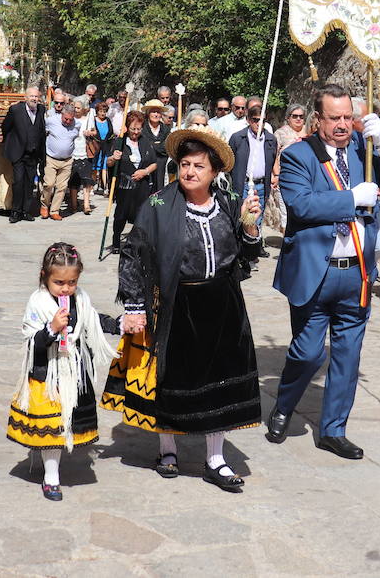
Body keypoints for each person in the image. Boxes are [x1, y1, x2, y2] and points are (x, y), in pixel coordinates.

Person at [101, 127, 263, 491]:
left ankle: (215, 459)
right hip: (177, 302)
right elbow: (134, 254)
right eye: (185, 164)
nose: (189, 172)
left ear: (214, 171)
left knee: (218, 382)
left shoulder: (229, 201)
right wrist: (135, 306)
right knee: (172, 379)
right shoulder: (158, 205)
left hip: (223, 304)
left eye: (199, 166)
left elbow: (247, 255)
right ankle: (168, 449)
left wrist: (251, 227)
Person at [267, 83, 380, 458]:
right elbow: (301, 205)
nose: (343, 124)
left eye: (348, 117)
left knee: (348, 355)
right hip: (316, 271)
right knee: (308, 354)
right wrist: (351, 199)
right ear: (318, 119)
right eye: (335, 118)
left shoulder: (365, 150)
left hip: (357, 272)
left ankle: (333, 429)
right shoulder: (299, 155)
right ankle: (285, 404)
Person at [8, 242, 120, 502]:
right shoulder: (37, 302)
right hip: (47, 372)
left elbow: (92, 319)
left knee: (65, 422)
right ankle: (51, 477)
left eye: (72, 282)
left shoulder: (80, 298)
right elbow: (32, 341)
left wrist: (118, 325)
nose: (66, 288)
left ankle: (52, 468)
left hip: (74, 369)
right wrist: (51, 328)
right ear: (44, 276)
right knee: (52, 425)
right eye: (59, 282)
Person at [105, 110, 159, 254]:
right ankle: (116, 240)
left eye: (138, 129)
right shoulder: (119, 141)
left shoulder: (145, 142)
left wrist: (145, 172)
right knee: (121, 214)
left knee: (141, 215)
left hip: (142, 186)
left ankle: (137, 243)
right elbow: (108, 163)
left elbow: (154, 163)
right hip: (124, 185)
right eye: (133, 129)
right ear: (127, 127)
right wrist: (113, 158)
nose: (135, 132)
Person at [228, 105, 278, 255]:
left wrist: (275, 176)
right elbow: (229, 162)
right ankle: (241, 249)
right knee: (244, 216)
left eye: (262, 120)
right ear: (248, 120)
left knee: (258, 216)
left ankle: (255, 247)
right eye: (255, 120)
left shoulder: (270, 139)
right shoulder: (238, 138)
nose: (259, 123)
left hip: (261, 184)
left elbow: (273, 159)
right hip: (243, 183)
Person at [3, 86, 47, 222]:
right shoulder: (15, 110)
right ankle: (15, 212)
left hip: (33, 154)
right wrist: (12, 143)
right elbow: (6, 127)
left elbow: (41, 129)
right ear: (25, 98)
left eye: (36, 96)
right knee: (18, 182)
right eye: (31, 96)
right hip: (19, 153)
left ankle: (25, 211)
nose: (34, 99)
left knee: (29, 183)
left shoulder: (41, 109)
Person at [266, 103, 308, 233]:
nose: (298, 119)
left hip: (306, 177)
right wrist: (276, 175)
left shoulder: (309, 131)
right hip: (285, 177)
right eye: (295, 116)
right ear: (288, 117)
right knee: (286, 212)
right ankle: (286, 240)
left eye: (301, 116)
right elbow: (273, 155)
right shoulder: (280, 133)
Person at [42, 103, 79, 220]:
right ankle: (44, 205)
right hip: (51, 158)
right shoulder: (51, 121)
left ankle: (54, 210)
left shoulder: (77, 124)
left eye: (70, 119)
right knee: (49, 184)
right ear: (62, 114)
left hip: (67, 160)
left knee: (62, 187)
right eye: (66, 119)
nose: (68, 122)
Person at [141, 99, 172, 190]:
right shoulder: (142, 128)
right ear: (148, 113)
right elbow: (143, 145)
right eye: (153, 112)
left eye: (158, 112)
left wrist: (152, 145)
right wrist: (156, 146)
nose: (156, 114)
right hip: (145, 163)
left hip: (161, 165)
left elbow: (166, 147)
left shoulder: (166, 129)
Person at [91, 101, 113, 195]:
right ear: (97, 111)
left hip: (106, 147)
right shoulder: (93, 120)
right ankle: (92, 186)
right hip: (96, 147)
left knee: (104, 167)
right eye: (101, 111)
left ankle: (105, 187)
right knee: (95, 167)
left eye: (104, 111)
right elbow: (93, 132)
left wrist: (107, 140)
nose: (103, 113)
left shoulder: (108, 120)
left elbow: (111, 132)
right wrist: (98, 140)